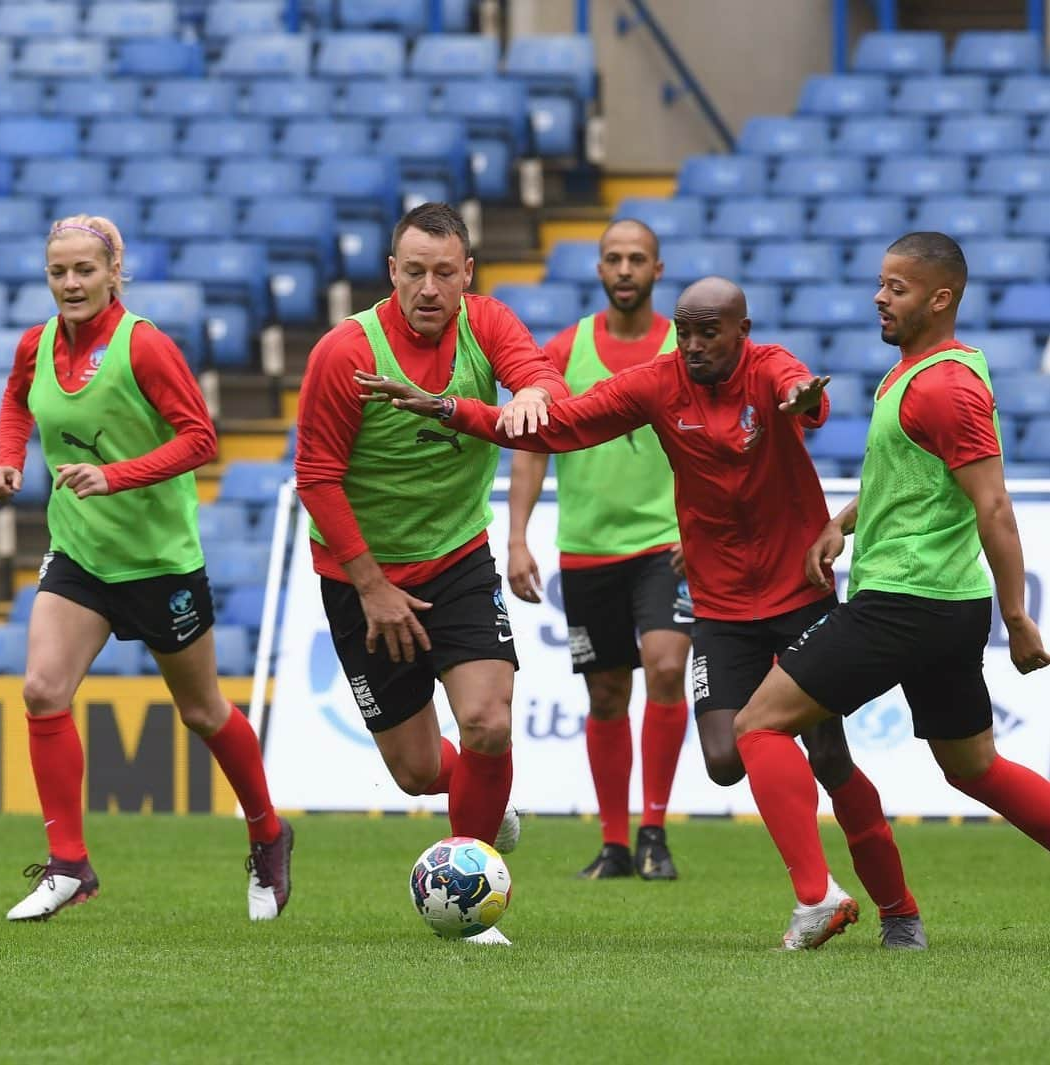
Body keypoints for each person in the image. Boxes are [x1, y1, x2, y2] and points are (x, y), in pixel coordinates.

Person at [356, 274, 925, 949]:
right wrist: (449, 409)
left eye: (706, 332)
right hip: (717, 603)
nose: (690, 345)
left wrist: (801, 400)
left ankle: (892, 909)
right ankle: (812, 891)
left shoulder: (770, 366)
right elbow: (559, 428)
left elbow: (798, 394)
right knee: (723, 754)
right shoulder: (659, 384)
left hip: (796, 591)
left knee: (827, 751)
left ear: (740, 332)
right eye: (683, 332)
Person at [726, 230, 1050, 950]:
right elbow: (904, 481)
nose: (878, 295)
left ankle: (816, 898)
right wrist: (843, 522)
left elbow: (991, 505)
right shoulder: (918, 372)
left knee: (756, 724)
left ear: (939, 298)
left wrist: (1020, 617)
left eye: (895, 287)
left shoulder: (943, 387)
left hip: (906, 603)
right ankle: (895, 917)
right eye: (879, 282)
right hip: (937, 602)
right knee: (972, 767)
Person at [0, 214, 293, 923]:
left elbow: (201, 438)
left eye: (84, 270)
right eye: (58, 271)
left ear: (113, 272)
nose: (70, 283)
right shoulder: (36, 344)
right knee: (41, 688)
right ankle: (69, 864)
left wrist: (116, 475)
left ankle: (267, 833)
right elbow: (15, 400)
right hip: (80, 554)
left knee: (202, 710)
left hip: (158, 564)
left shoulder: (144, 345)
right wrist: (10, 459)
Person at [294, 202, 570, 946]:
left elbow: (537, 376)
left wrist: (536, 395)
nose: (427, 287)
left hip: (455, 560)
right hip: (358, 576)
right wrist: (371, 584)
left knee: (486, 720)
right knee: (417, 770)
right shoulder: (343, 351)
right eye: (413, 271)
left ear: (466, 274)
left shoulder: (488, 323)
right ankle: (487, 795)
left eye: (443, 272)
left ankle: (473, 899)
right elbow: (315, 477)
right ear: (391, 272)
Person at [507, 220, 690, 880]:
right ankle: (614, 844)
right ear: (597, 269)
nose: (623, 269)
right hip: (586, 548)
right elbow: (531, 440)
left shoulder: (682, 347)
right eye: (612, 258)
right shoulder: (563, 350)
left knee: (667, 668)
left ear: (656, 270)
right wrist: (517, 535)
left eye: (635, 258)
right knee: (606, 693)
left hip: (665, 544)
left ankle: (654, 832)